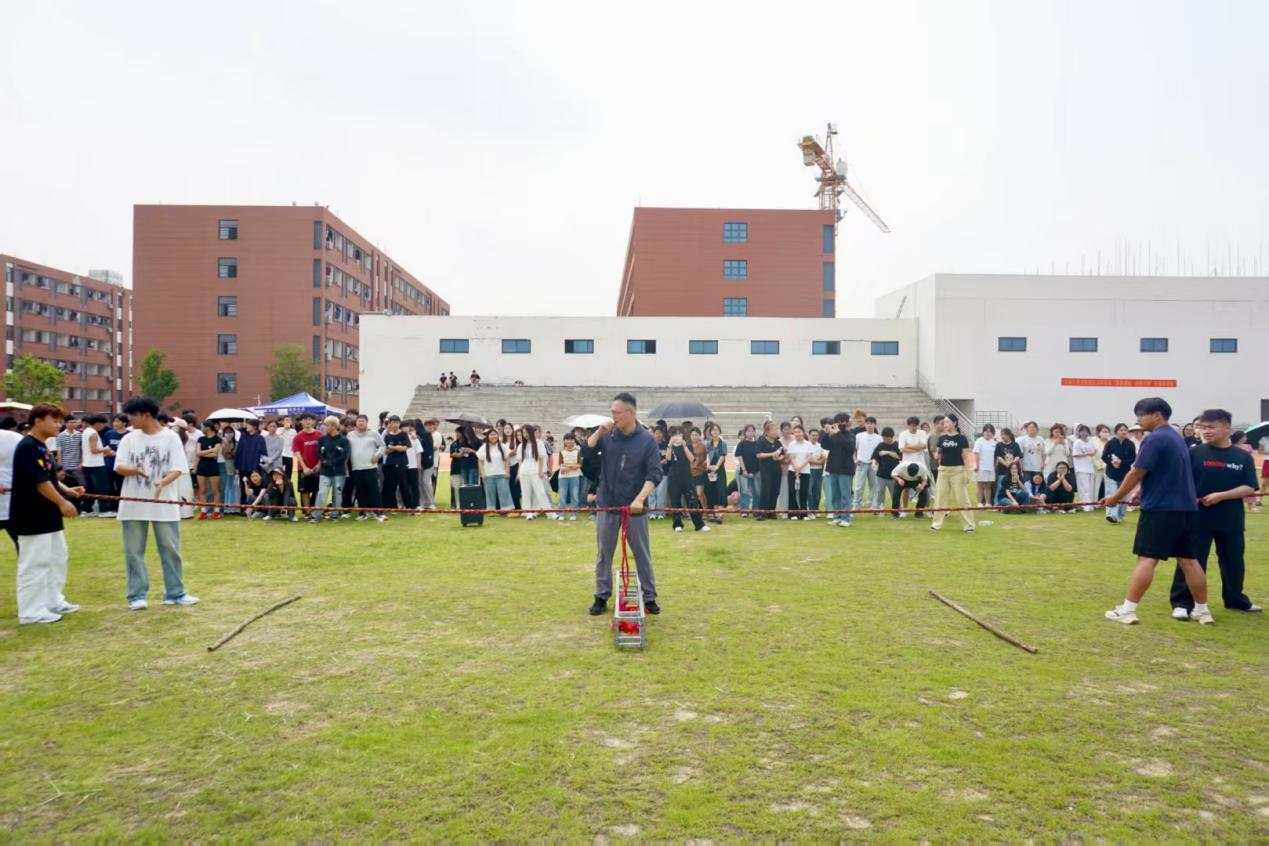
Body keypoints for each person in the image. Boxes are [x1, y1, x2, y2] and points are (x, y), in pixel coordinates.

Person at [1102, 397, 1212, 626]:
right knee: (1190, 561)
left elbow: (1136, 471)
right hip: (1186, 509)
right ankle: (1202, 611)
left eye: (1141, 416)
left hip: (1160, 509)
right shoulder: (1176, 438)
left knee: (1146, 559)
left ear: (1156, 415)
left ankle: (1128, 610)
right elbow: (1162, 472)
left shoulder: (1154, 439)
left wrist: (1115, 497)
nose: (1139, 421)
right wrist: (1141, 491)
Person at [1169, 409, 1260, 617]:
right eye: (1203, 427)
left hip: (1231, 519)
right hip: (1198, 518)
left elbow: (1249, 487)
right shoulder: (1194, 453)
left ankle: (1235, 599)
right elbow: (1180, 481)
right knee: (1192, 560)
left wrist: (1222, 496)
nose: (1206, 431)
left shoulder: (1242, 457)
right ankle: (1182, 603)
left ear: (1227, 428)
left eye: (1211, 427)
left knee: (1233, 562)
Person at [113, 396, 198, 611]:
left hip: (164, 502)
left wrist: (162, 482)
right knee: (133, 551)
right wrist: (134, 470)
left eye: (133, 415)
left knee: (170, 549)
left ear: (146, 415)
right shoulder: (128, 439)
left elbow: (178, 468)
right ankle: (136, 595)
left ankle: (175, 593)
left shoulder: (170, 437)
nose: (129, 420)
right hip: (133, 503)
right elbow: (119, 466)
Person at [584, 393, 663, 616]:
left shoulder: (647, 440)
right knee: (604, 553)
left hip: (634, 508)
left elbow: (655, 473)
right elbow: (586, 452)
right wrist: (598, 433)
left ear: (631, 413)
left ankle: (649, 597)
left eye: (617, 413)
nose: (613, 416)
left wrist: (639, 499)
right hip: (607, 504)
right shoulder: (608, 435)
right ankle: (601, 595)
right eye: (612, 412)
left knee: (641, 553)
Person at [12, 404, 83, 624]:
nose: (58, 425)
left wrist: (67, 490)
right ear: (38, 421)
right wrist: (63, 503)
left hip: (48, 514)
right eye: (55, 421)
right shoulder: (27, 447)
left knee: (57, 558)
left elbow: (49, 477)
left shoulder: (42, 446)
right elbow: (39, 482)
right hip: (32, 514)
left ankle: (53, 601)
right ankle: (31, 611)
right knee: (34, 563)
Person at [930, 414, 975, 532]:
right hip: (943, 471)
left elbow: (966, 457)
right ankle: (936, 524)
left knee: (962, 499)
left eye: (947, 422)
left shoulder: (962, 439)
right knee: (940, 498)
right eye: (944, 422)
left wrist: (967, 473)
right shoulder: (942, 438)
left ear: (955, 423)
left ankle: (969, 525)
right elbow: (937, 454)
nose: (945, 424)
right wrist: (937, 454)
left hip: (957, 471)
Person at [664, 428, 706, 532]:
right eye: (675, 434)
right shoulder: (670, 446)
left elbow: (692, 459)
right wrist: (670, 445)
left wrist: (684, 446)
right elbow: (668, 459)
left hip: (687, 476)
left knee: (692, 500)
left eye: (679, 434)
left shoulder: (688, 446)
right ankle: (677, 524)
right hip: (674, 477)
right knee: (675, 501)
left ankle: (699, 524)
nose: (677, 436)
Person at [348, 415, 387, 522]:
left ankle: (378, 513)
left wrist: (377, 455)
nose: (361, 423)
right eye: (359, 421)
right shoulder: (350, 435)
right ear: (356, 423)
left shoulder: (374, 433)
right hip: (356, 468)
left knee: (374, 491)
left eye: (363, 421)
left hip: (370, 467)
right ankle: (363, 513)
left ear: (367, 422)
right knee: (360, 492)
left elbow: (383, 446)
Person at [517, 423, 557, 520]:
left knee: (541, 492)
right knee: (526, 493)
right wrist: (519, 472)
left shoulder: (538, 443)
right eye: (523, 433)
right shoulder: (521, 445)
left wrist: (541, 471)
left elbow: (542, 458)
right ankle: (528, 513)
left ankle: (550, 513)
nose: (525, 435)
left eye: (527, 432)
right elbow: (520, 461)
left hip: (535, 471)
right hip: (524, 471)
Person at [824, 412, 857, 526]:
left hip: (845, 469)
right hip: (833, 468)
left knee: (845, 495)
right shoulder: (833, 434)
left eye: (842, 422)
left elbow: (850, 447)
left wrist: (838, 433)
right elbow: (825, 445)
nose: (839, 424)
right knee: (835, 495)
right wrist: (827, 434)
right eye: (837, 422)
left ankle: (846, 518)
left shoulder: (850, 434)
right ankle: (837, 516)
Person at [316, 415, 351, 520]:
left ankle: (334, 515)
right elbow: (319, 453)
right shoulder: (322, 439)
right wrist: (324, 461)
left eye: (327, 425)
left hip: (339, 472)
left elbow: (344, 456)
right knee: (322, 493)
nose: (325, 427)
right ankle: (316, 515)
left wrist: (332, 462)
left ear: (334, 426)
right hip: (325, 471)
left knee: (337, 494)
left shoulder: (344, 440)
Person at [1102, 423, 1137, 524]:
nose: (1124, 432)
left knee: (1124, 495)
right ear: (1116, 432)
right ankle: (1111, 515)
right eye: (1121, 430)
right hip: (1111, 474)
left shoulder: (1130, 444)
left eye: (1125, 430)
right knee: (1111, 493)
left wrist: (1121, 462)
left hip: (1125, 474)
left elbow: (1132, 458)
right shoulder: (1110, 443)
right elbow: (1104, 456)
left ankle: (1120, 515)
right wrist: (1111, 461)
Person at [80, 415, 112, 516]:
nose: (103, 426)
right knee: (102, 487)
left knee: (90, 488)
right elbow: (93, 450)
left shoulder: (86, 431)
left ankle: (87, 509)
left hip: (87, 464)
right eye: (102, 424)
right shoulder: (93, 433)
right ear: (98, 423)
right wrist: (106, 449)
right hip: (96, 465)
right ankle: (104, 510)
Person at [292, 413, 322, 518]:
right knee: (305, 491)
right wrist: (304, 467)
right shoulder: (298, 436)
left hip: (317, 467)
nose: (307, 421)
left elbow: (323, 451)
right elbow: (297, 453)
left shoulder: (319, 434)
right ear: (300, 421)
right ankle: (307, 512)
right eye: (304, 419)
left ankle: (314, 510)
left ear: (314, 421)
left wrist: (319, 464)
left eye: (309, 419)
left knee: (317, 490)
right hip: (303, 468)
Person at [0, 416, 24, 547]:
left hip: (13, 501)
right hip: (14, 502)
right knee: (24, 546)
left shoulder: (16, 439)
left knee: (25, 546)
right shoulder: (17, 438)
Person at [478, 428, 515, 512]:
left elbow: (507, 459)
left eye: (495, 434)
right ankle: (491, 509)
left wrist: (507, 471)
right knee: (490, 493)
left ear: (498, 436)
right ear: (488, 436)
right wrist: (482, 473)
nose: (493, 436)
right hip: (488, 475)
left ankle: (507, 509)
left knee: (505, 492)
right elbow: (480, 461)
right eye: (491, 435)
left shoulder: (503, 446)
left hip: (502, 474)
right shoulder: (484, 447)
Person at [380, 415, 411, 510]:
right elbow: (385, 451)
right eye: (393, 422)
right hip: (389, 463)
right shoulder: (387, 436)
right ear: (389, 423)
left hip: (401, 463)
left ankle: (410, 507)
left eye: (397, 422)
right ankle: (390, 506)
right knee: (389, 486)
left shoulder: (403, 434)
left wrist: (393, 447)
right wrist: (396, 448)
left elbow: (405, 448)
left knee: (403, 485)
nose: (395, 424)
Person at [784, 425, 815, 519]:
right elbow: (791, 457)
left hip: (805, 471)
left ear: (803, 432)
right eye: (795, 432)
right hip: (792, 470)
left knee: (804, 492)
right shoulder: (792, 444)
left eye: (799, 432)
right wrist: (796, 469)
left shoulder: (808, 444)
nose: (797, 434)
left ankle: (803, 514)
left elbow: (809, 458)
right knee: (792, 491)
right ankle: (792, 513)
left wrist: (800, 468)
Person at [234, 420, 268, 504]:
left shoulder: (260, 438)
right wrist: (237, 466)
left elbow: (264, 453)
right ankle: (243, 507)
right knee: (243, 487)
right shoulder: (243, 437)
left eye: (248, 425)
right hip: (242, 467)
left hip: (254, 468)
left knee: (255, 488)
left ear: (255, 427)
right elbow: (239, 452)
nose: (246, 426)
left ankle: (255, 506)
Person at [853, 417, 883, 509]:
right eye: (867, 423)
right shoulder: (859, 436)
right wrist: (855, 459)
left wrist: (877, 462)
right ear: (865, 424)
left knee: (874, 486)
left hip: (873, 464)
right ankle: (856, 505)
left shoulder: (879, 438)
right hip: (861, 463)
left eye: (871, 424)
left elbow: (880, 452)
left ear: (875, 425)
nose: (869, 426)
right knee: (859, 486)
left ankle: (873, 505)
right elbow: (854, 449)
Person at [195, 421, 223, 519]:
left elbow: (215, 454)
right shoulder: (201, 439)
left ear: (208, 428)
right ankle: (203, 511)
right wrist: (210, 450)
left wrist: (203, 453)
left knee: (215, 490)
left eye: (203, 427)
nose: (201, 429)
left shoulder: (218, 439)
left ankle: (216, 511)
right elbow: (197, 453)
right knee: (202, 490)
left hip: (213, 466)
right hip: (202, 466)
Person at [874, 427, 903, 517]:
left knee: (895, 493)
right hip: (881, 474)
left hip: (894, 475)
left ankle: (897, 509)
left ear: (892, 437)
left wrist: (888, 452)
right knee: (880, 492)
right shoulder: (880, 445)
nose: (885, 440)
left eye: (887, 439)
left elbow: (899, 457)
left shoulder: (897, 445)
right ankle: (880, 508)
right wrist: (874, 463)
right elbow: (875, 456)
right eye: (884, 438)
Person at [101, 414, 127, 511]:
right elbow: (104, 447)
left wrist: (116, 454)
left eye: (118, 421)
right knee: (109, 487)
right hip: (110, 465)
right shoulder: (109, 434)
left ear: (124, 423)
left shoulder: (129, 435)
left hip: (123, 466)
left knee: (121, 486)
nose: (115, 423)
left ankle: (120, 507)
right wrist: (107, 452)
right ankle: (112, 508)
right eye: (114, 421)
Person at [1071, 425, 1098, 511]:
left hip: (1090, 467)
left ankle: (1091, 505)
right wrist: (1088, 454)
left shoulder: (1090, 441)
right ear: (1079, 432)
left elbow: (1094, 451)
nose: (1084, 433)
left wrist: (1093, 452)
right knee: (1084, 488)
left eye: (1086, 431)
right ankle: (1085, 506)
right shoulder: (1078, 442)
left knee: (1090, 488)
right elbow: (1075, 454)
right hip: (1081, 468)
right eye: (1082, 431)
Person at [734, 424, 759, 515]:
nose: (750, 433)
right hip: (744, 472)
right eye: (748, 431)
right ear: (745, 433)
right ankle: (744, 510)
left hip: (756, 471)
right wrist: (744, 469)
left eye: (752, 431)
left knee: (757, 492)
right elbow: (740, 457)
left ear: (755, 432)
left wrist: (759, 471)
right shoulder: (741, 444)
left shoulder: (758, 444)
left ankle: (756, 510)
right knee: (744, 491)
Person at [558, 432, 583, 520]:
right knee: (562, 496)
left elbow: (579, 465)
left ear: (574, 441)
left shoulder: (577, 452)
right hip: (563, 477)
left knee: (574, 495)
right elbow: (561, 465)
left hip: (574, 477)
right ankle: (561, 514)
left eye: (572, 439)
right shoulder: (561, 452)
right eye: (567, 439)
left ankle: (573, 514)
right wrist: (572, 466)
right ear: (564, 441)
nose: (569, 441)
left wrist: (568, 467)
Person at [972, 423, 998, 506]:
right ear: (983, 432)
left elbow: (996, 456)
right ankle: (979, 503)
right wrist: (976, 465)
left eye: (990, 432)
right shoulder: (979, 441)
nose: (988, 433)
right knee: (980, 485)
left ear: (993, 433)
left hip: (990, 467)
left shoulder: (994, 443)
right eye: (986, 431)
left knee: (988, 486)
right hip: (981, 467)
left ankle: (988, 503)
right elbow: (976, 454)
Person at [417, 418, 438, 510]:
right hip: (419, 463)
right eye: (427, 425)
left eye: (431, 425)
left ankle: (431, 502)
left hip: (428, 463)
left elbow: (429, 450)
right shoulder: (417, 435)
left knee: (426, 482)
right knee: (420, 483)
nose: (429, 427)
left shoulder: (427, 435)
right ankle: (423, 502)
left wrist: (426, 462)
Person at [218, 424, 238, 514]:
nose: (229, 434)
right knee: (224, 487)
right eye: (226, 432)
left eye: (230, 432)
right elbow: (224, 454)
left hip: (231, 467)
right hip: (222, 466)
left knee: (231, 487)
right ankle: (224, 506)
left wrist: (227, 448)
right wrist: (225, 445)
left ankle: (231, 507)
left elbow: (231, 455)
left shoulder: (236, 443)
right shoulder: (220, 443)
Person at [278, 415, 296, 480]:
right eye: (286, 420)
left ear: (291, 422)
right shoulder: (279, 429)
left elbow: (295, 441)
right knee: (278, 471)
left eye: (289, 420)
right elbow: (277, 438)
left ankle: (287, 484)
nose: (288, 421)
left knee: (289, 473)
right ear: (283, 422)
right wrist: (284, 429)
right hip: (280, 454)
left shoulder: (293, 431)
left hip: (290, 455)